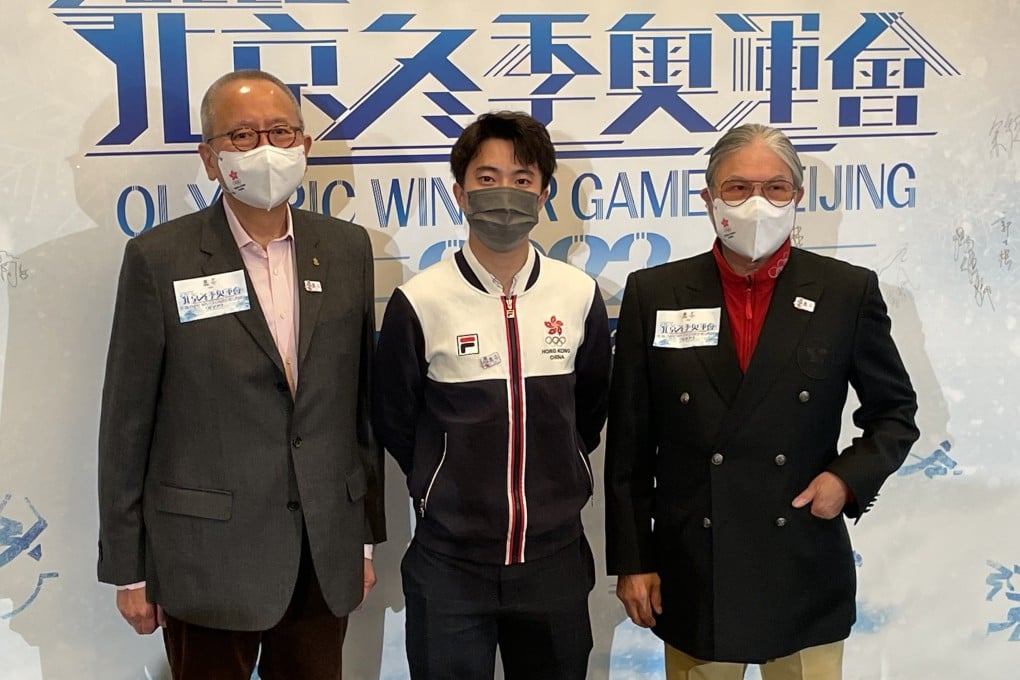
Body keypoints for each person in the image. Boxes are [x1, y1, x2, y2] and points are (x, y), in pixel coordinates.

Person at [97, 69, 385, 679]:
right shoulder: (158, 259)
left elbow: (357, 408)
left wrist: (360, 536)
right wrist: (129, 567)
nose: (266, 149)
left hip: (320, 552)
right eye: (243, 136)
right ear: (210, 158)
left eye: (281, 131)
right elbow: (127, 423)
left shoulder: (347, 249)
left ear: (304, 145)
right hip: (204, 558)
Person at [605, 123, 919, 680]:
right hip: (696, 566)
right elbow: (629, 449)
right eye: (737, 188)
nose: (757, 203)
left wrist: (846, 480)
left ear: (798, 198)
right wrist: (634, 562)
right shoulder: (654, 293)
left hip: (800, 557)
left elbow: (893, 414)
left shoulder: (846, 291)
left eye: (776, 188)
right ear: (708, 199)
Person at [373, 111, 612, 680]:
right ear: (458, 192)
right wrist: (442, 481)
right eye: (487, 177)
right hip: (449, 565)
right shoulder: (420, 301)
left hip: (553, 559)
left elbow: (591, 411)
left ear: (544, 194)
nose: (505, 191)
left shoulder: (578, 295)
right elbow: (397, 421)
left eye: (522, 178)